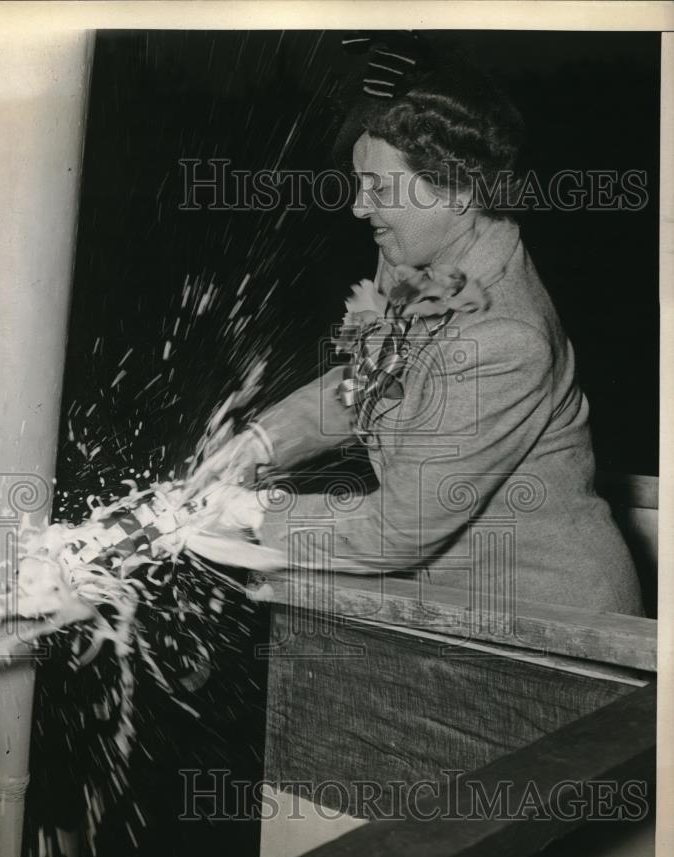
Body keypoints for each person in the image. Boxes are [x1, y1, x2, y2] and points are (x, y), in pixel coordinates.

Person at [190, 43, 643, 616]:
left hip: (553, 625)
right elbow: (376, 381)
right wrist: (261, 444)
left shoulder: (505, 341)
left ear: (456, 191)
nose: (358, 209)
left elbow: (396, 532)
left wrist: (254, 515)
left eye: (379, 189)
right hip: (453, 602)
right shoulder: (418, 259)